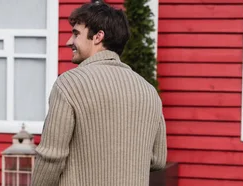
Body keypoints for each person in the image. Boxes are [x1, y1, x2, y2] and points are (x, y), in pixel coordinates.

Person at [31, 2, 167, 186]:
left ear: (98, 36)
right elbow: (158, 159)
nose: (69, 41)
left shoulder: (70, 83)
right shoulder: (148, 91)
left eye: (76, 33)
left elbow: (51, 157)